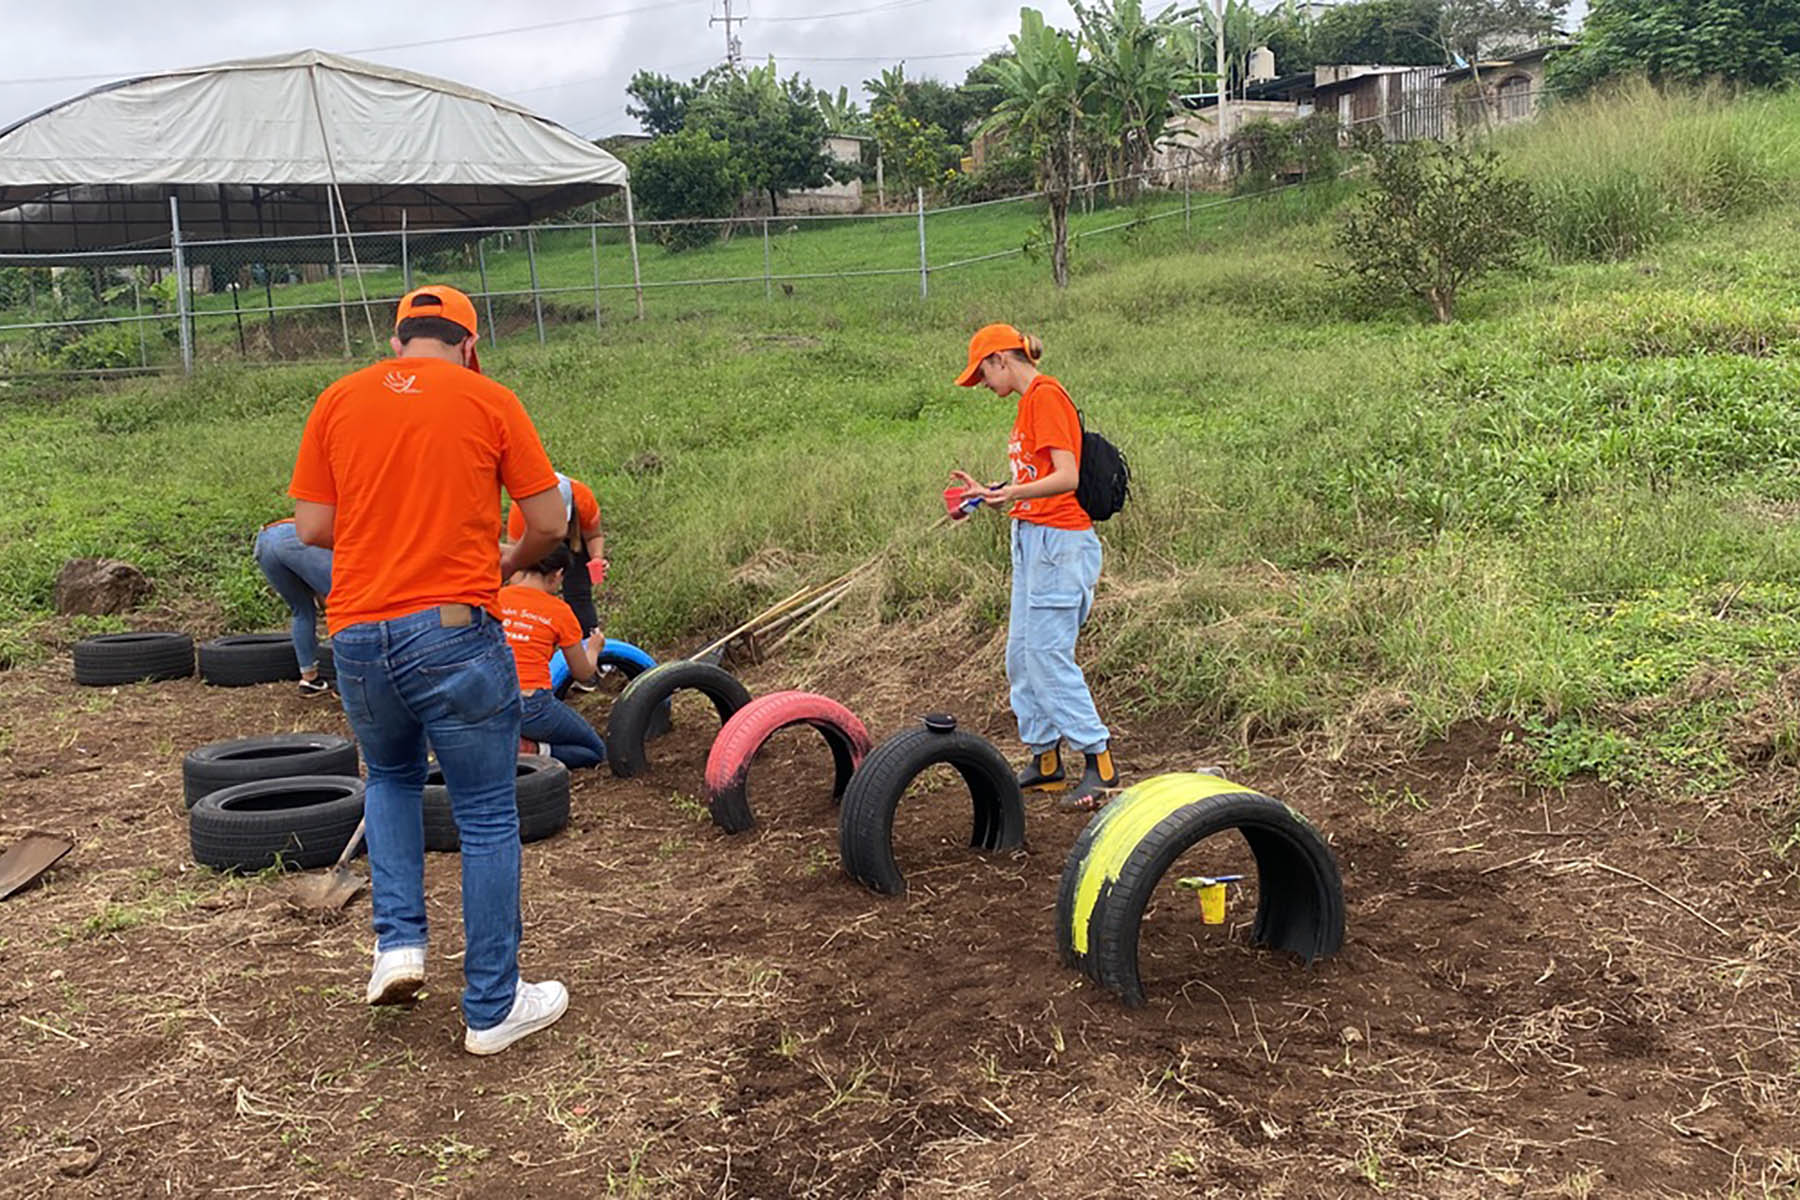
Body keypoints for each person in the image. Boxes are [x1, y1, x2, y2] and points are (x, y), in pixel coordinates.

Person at [288, 284, 572, 1056]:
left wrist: (385, 523)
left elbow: (311, 526)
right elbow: (550, 519)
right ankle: (491, 1007)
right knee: (483, 814)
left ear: (396, 342)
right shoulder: (488, 397)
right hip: (452, 631)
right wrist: (511, 558)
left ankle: (399, 946)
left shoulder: (339, 398)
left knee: (389, 779)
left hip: (356, 637)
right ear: (470, 345)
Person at [949, 323, 1119, 810]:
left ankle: (1099, 760)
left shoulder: (1045, 396)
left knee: (1046, 655)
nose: (982, 385)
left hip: (1059, 544)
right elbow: (1036, 479)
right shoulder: (1028, 403)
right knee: (1021, 656)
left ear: (1002, 359)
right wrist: (995, 494)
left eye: (982, 373)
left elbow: (1065, 477)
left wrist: (1010, 493)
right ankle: (1046, 760)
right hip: (1031, 538)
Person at [499, 544, 609, 769]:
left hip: (488, 699)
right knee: (595, 751)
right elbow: (583, 673)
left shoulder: (496, 598)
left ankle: (509, 745)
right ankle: (532, 750)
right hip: (531, 704)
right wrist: (594, 648)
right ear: (558, 574)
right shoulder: (559, 611)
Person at [507, 472, 605, 638]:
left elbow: (594, 536)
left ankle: (590, 642)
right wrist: (527, 599)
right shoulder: (521, 511)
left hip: (574, 540)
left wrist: (596, 558)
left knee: (579, 593)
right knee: (530, 593)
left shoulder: (583, 499)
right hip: (535, 539)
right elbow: (514, 560)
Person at [253, 517, 333, 696]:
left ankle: (310, 679)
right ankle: (346, 678)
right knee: (343, 602)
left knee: (301, 610)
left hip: (265, 540)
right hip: (294, 537)